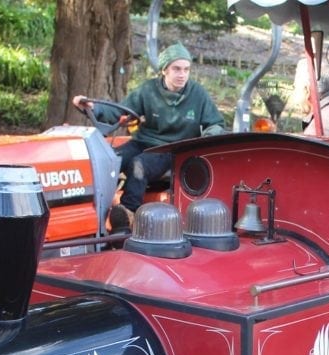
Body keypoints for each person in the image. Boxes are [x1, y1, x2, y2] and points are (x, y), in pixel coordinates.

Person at [73, 42, 225, 230]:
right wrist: (93, 108)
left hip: (173, 149)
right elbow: (120, 111)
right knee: (110, 158)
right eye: (176, 69)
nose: (182, 74)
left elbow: (216, 123)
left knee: (139, 165)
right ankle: (92, 211)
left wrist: (207, 138)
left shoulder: (198, 94)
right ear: (164, 70)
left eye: (186, 69)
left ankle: (127, 216)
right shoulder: (148, 90)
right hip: (144, 141)